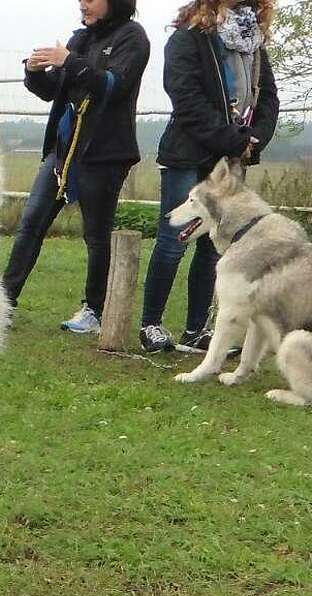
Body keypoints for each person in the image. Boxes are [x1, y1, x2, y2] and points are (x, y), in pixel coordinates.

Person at [138, 0, 279, 353]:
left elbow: (268, 98)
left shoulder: (254, 43)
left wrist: (253, 138)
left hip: (231, 159)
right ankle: (151, 325)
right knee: (173, 240)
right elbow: (186, 100)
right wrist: (234, 139)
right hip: (188, 154)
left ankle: (196, 329)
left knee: (213, 244)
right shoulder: (188, 38)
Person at [1, 0, 149, 334]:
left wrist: (70, 61)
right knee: (30, 225)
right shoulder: (80, 39)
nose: (82, 3)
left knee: (96, 235)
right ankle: (4, 302)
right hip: (61, 152)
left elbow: (114, 86)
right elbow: (52, 90)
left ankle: (94, 311)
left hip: (103, 153)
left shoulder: (133, 38)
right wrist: (35, 72)